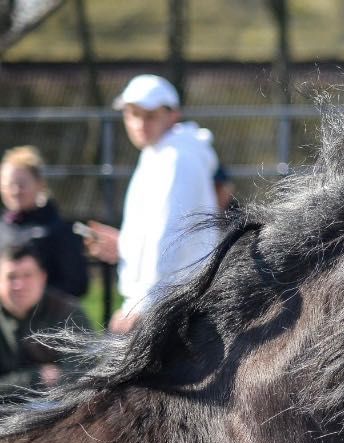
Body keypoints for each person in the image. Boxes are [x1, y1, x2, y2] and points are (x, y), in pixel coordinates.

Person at [83, 74, 219, 334]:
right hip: (170, 303)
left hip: (175, 308)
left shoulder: (176, 159)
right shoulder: (159, 154)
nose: (139, 124)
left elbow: (170, 236)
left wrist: (141, 306)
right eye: (132, 114)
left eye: (150, 115)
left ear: (173, 116)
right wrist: (125, 245)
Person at [0, 240, 92, 403]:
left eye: (27, 275)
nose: (19, 285)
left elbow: (84, 378)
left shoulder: (68, 313)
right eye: (11, 277)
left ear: (42, 278)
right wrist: (36, 378)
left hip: (55, 415)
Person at [0, 145, 89, 298]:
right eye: (9, 184)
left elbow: (77, 284)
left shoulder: (58, 230)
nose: (15, 191)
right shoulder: (3, 227)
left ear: (40, 184)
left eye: (22, 184)